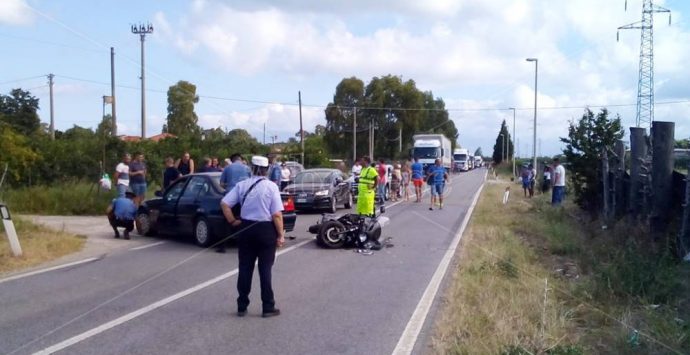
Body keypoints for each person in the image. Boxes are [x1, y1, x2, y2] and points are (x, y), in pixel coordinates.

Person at [220, 155, 285, 318]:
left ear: (252, 168)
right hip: (265, 230)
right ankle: (268, 306)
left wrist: (233, 221)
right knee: (265, 269)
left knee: (245, 268)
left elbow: (225, 203)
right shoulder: (271, 187)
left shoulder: (242, 185)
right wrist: (280, 235)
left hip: (246, 228)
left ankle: (242, 305)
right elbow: (276, 214)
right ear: (266, 170)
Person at [217, 153, 253, 254]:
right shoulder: (247, 168)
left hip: (231, 196)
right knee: (245, 219)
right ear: (241, 160)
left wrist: (228, 187)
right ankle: (245, 244)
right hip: (245, 197)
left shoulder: (228, 168)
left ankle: (223, 246)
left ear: (232, 160)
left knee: (226, 222)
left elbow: (221, 184)